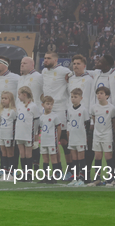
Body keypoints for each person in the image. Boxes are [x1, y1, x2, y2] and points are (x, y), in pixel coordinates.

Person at [42, 51, 72, 180]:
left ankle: (70, 171)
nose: (46, 60)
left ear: (56, 60)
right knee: (51, 141)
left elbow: (76, 76)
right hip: (47, 110)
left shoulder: (64, 71)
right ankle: (57, 171)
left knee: (64, 141)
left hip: (60, 109)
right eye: (45, 58)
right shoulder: (44, 72)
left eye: (48, 58)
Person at [67, 54, 95, 181]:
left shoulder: (89, 79)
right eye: (74, 64)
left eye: (78, 64)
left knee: (85, 149)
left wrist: (91, 119)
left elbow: (90, 98)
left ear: (84, 66)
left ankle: (85, 174)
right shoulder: (71, 79)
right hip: (72, 117)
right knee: (74, 151)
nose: (76, 66)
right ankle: (76, 176)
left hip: (84, 117)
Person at [17, 57, 43, 171]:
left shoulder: (39, 77)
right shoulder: (20, 78)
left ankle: (35, 168)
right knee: (23, 146)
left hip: (33, 115)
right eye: (21, 63)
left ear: (32, 64)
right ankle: (25, 171)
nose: (22, 65)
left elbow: (45, 93)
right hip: (22, 115)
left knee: (34, 144)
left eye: (25, 63)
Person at [87, 87, 115, 187]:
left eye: (102, 93)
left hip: (107, 135)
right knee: (98, 156)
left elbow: (113, 122)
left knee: (108, 156)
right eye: (98, 93)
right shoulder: (94, 107)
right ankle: (97, 178)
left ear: (107, 96)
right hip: (97, 135)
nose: (99, 95)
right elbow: (94, 120)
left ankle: (111, 178)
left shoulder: (111, 108)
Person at [15, 86, 40, 181]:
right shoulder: (19, 105)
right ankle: (24, 173)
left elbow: (37, 121)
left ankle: (29, 174)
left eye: (19, 94)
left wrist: (35, 133)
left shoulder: (33, 106)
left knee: (28, 153)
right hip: (19, 133)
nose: (18, 97)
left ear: (24, 95)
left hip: (28, 133)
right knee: (22, 153)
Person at [66, 88, 90, 187]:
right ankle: (75, 177)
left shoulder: (83, 110)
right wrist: (69, 135)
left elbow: (87, 124)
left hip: (80, 138)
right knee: (74, 159)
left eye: (75, 97)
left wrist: (85, 137)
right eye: (72, 97)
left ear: (81, 98)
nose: (73, 99)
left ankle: (82, 178)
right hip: (72, 138)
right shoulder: (69, 109)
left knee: (81, 159)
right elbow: (69, 123)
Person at [38, 96, 62, 184]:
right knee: (45, 159)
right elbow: (40, 128)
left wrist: (57, 140)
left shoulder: (54, 116)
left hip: (52, 141)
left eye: (51, 104)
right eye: (47, 104)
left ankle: (54, 176)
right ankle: (46, 176)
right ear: (42, 105)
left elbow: (59, 128)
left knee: (53, 158)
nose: (49, 106)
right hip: (44, 141)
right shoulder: (41, 117)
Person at [0, 91, 17, 179]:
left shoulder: (13, 111)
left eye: (5, 98)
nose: (3, 100)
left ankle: (11, 171)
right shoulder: (1, 110)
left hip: (9, 134)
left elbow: (15, 122)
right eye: (2, 98)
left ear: (10, 100)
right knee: (3, 151)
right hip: (2, 133)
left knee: (10, 152)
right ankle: (4, 170)